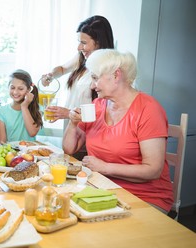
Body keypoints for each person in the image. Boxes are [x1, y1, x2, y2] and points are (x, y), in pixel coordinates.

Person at [63, 49, 173, 213]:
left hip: (145, 197)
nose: (92, 85)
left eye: (95, 78)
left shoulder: (148, 109)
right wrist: (72, 124)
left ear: (116, 75)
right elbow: (69, 149)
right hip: (102, 188)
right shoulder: (98, 106)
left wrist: (105, 167)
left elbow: (153, 169)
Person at [41, 15, 114, 128]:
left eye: (83, 42)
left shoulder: (108, 68)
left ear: (99, 42)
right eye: (79, 42)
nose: (79, 47)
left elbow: (105, 111)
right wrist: (51, 76)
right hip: (72, 126)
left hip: (90, 130)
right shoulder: (83, 58)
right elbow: (62, 69)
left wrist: (67, 113)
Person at [0, 69, 42, 144]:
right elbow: (2, 142)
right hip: (11, 154)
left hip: (30, 154)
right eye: (12, 88)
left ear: (28, 90)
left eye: (20, 88)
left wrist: (24, 107)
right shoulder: (1, 112)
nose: (15, 92)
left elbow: (32, 132)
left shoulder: (36, 109)